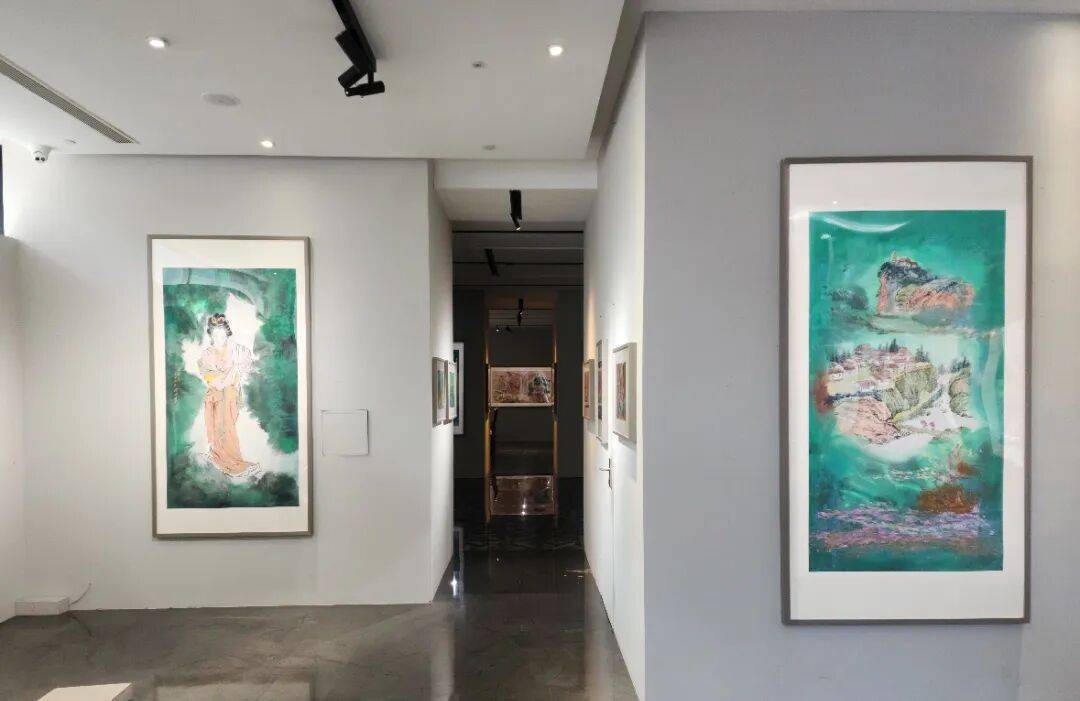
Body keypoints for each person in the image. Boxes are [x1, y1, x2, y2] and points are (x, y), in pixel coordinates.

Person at [197, 313, 259, 477]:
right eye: (215, 334)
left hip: (230, 397)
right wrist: (230, 373)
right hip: (214, 397)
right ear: (211, 335)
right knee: (217, 430)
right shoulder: (207, 354)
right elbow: (213, 380)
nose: (219, 338)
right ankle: (224, 461)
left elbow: (242, 370)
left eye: (222, 334)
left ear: (227, 334)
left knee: (228, 430)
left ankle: (234, 463)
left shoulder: (236, 352)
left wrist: (233, 373)